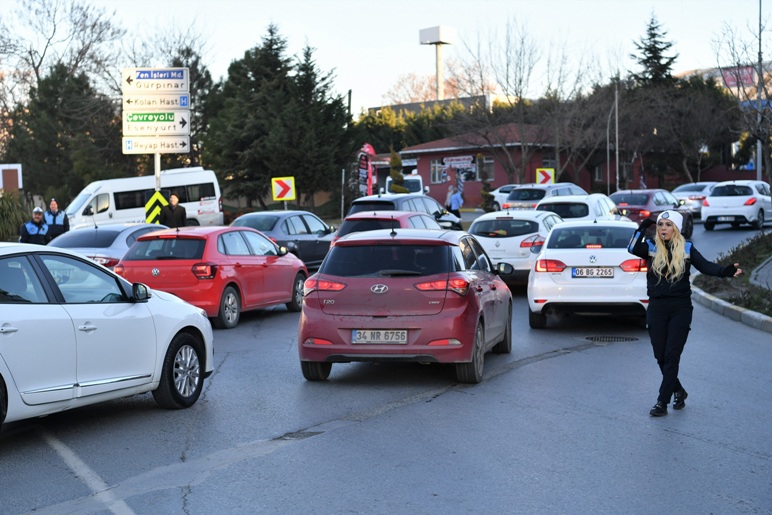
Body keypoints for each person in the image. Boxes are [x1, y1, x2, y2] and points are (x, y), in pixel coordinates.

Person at [628, 210, 743, 417]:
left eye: (668, 224)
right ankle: (679, 390)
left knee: (671, 356)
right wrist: (643, 227)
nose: (663, 228)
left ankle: (662, 402)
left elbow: (706, 266)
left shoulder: (688, 249)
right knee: (660, 355)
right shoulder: (651, 247)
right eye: (661, 224)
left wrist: (724, 271)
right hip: (657, 308)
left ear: (677, 229)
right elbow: (632, 248)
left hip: (680, 309)